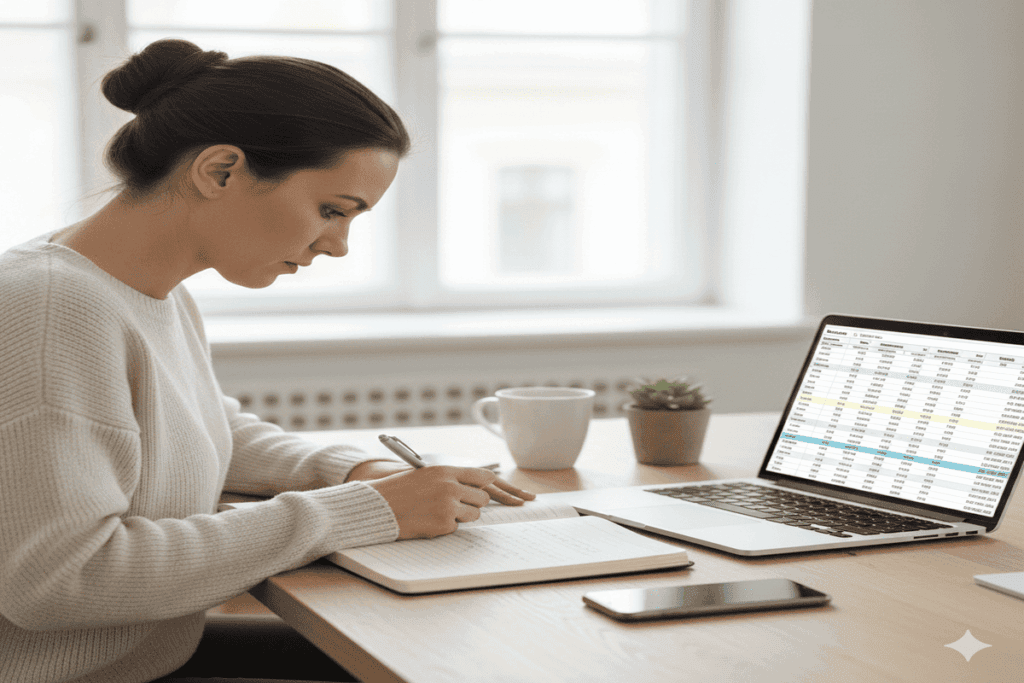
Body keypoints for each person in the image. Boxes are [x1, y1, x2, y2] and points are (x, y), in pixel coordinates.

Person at [0, 39, 535, 683]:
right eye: (331, 210)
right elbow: (62, 579)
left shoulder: (137, 289)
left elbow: (198, 425)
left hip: (155, 657)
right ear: (220, 170)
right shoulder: (53, 310)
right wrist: (367, 510)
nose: (337, 246)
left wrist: (352, 471)